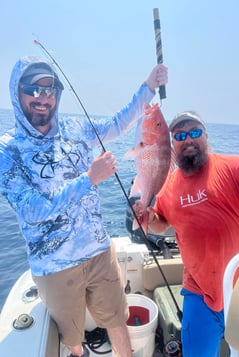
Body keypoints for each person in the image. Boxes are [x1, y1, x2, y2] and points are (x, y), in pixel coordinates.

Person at [0, 56, 168, 357]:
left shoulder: (75, 128)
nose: (43, 98)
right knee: (72, 335)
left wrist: (148, 87)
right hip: (55, 266)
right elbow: (31, 210)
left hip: (99, 251)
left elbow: (118, 124)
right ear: (17, 92)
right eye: (33, 90)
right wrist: (89, 178)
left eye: (49, 90)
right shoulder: (7, 149)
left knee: (118, 317)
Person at [146, 110, 239, 357]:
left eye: (194, 132)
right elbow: (160, 222)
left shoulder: (235, 166)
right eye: (180, 135)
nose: (188, 139)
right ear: (173, 145)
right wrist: (149, 219)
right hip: (199, 291)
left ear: (206, 136)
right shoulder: (168, 185)